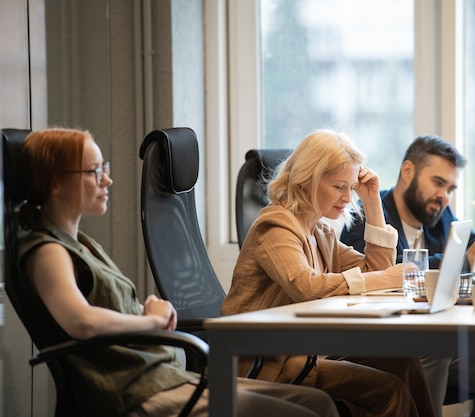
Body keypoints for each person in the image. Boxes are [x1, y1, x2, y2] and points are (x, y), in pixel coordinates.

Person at [15, 127, 340, 417]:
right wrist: (150, 321)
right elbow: (81, 321)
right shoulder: (48, 251)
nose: (107, 179)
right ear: (55, 182)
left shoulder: (83, 244)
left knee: (318, 403)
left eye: (105, 168)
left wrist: (141, 309)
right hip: (134, 392)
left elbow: (97, 310)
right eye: (94, 171)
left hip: (164, 377)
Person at [221, 129, 436, 417]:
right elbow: (307, 286)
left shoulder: (320, 232)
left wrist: (372, 204)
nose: (348, 198)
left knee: (404, 362)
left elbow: (375, 271)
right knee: (390, 389)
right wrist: (383, 279)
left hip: (304, 352)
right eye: (339, 187)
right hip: (266, 361)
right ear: (307, 180)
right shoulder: (274, 226)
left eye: (351, 187)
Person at [340, 134, 475, 417]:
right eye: (438, 183)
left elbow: (466, 247)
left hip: (433, 341)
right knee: (435, 350)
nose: (444, 195)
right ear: (408, 171)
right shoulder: (368, 219)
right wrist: (466, 259)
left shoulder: (437, 215)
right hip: (384, 345)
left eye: (450, 188)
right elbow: (386, 273)